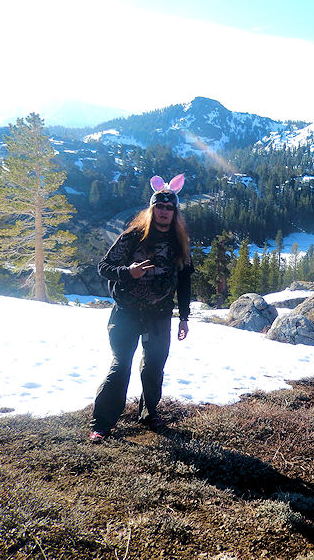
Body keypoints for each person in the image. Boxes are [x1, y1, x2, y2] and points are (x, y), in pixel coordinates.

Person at [89, 174, 192, 443]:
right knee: (121, 365)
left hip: (160, 315)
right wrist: (128, 272)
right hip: (126, 313)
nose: (164, 212)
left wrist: (184, 317)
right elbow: (104, 267)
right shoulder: (133, 236)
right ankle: (101, 424)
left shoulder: (178, 242)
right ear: (152, 208)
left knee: (154, 366)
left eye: (169, 207)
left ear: (175, 212)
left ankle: (149, 413)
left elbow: (184, 280)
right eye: (160, 206)